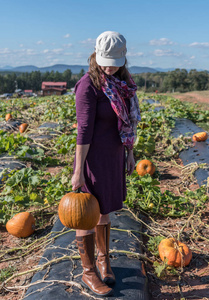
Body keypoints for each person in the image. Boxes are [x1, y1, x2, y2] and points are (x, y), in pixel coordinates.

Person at [71, 31, 141, 297]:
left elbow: (128, 123)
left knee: (104, 211)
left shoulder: (122, 82)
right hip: (91, 157)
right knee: (86, 213)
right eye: (105, 61)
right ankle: (88, 272)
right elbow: (84, 130)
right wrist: (78, 171)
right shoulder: (88, 85)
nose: (109, 66)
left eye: (114, 61)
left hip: (113, 156)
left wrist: (129, 153)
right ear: (95, 55)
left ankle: (104, 259)